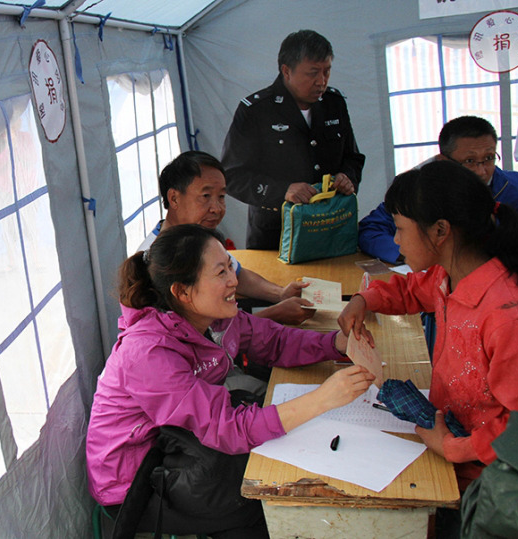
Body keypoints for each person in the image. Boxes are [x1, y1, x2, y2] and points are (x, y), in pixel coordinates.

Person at [87, 223, 375, 538]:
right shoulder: (148, 352)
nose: (234, 280)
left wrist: (336, 344)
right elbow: (226, 428)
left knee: (273, 461)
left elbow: (274, 341)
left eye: (230, 267)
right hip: (135, 480)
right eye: (221, 272)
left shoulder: (216, 317)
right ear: (182, 291)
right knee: (257, 500)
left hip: (182, 441)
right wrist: (322, 399)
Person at [339, 160, 518, 496]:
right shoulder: (448, 276)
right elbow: (410, 290)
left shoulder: (507, 315)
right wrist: (364, 299)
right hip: (449, 440)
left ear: (440, 231)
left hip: (491, 478)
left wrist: (454, 447)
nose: (395, 240)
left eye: (399, 228)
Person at [220, 29, 365, 249]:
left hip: (330, 229)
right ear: (286, 71)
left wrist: (348, 177)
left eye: (327, 72)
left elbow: (353, 157)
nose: (321, 81)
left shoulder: (334, 104)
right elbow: (232, 176)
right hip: (275, 237)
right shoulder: (256, 111)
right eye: (313, 73)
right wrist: (283, 190)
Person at [140, 151, 315, 325]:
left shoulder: (200, 240)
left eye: (221, 197)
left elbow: (239, 275)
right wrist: (272, 315)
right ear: (174, 198)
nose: (217, 208)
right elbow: (198, 337)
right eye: (205, 196)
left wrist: (280, 294)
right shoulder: (156, 261)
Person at [359, 115, 518, 263]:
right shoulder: (422, 190)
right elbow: (370, 229)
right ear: (443, 161)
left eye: (489, 158)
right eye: (469, 161)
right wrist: (410, 253)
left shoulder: (517, 187)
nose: (481, 171)